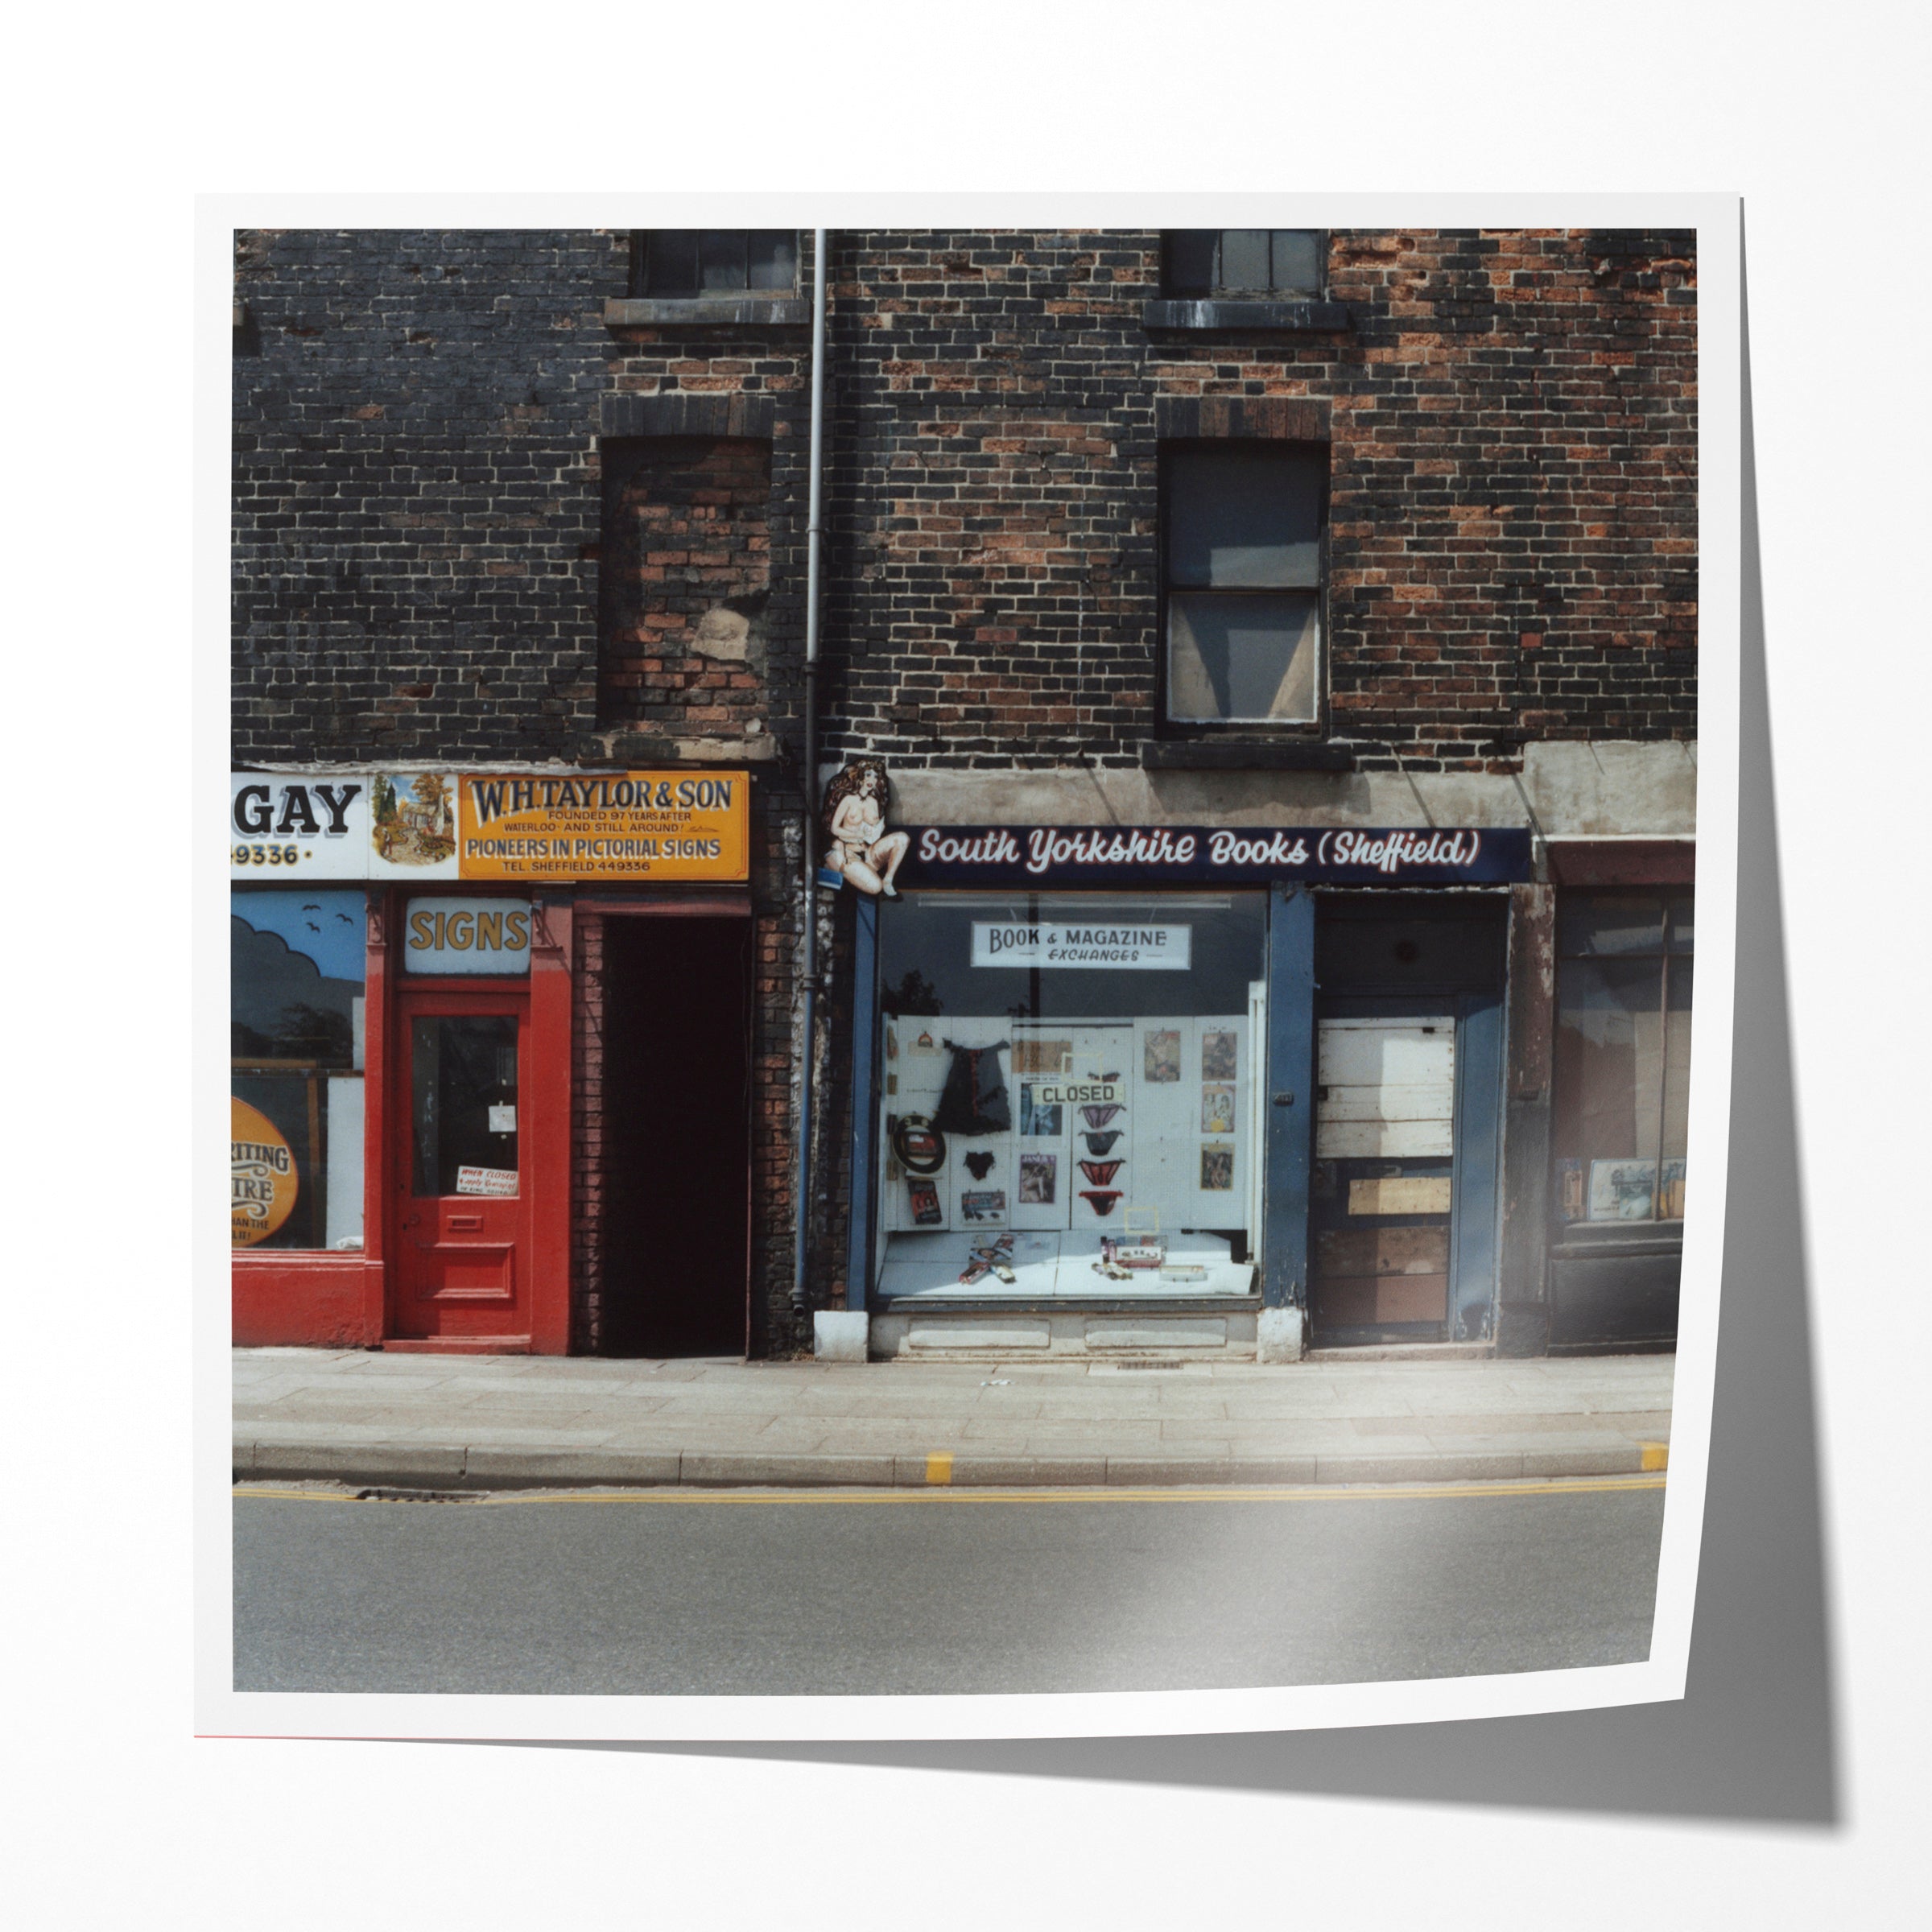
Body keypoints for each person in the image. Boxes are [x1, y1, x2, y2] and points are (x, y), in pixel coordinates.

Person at [821, 758, 910, 896]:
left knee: (902, 838)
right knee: (875, 887)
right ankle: (837, 868)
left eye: (875, 776)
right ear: (861, 777)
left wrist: (876, 830)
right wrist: (857, 835)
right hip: (849, 853)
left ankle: (889, 879)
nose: (872, 779)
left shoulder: (874, 802)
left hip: (869, 852)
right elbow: (834, 828)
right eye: (868, 775)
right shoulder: (848, 800)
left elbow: (874, 831)